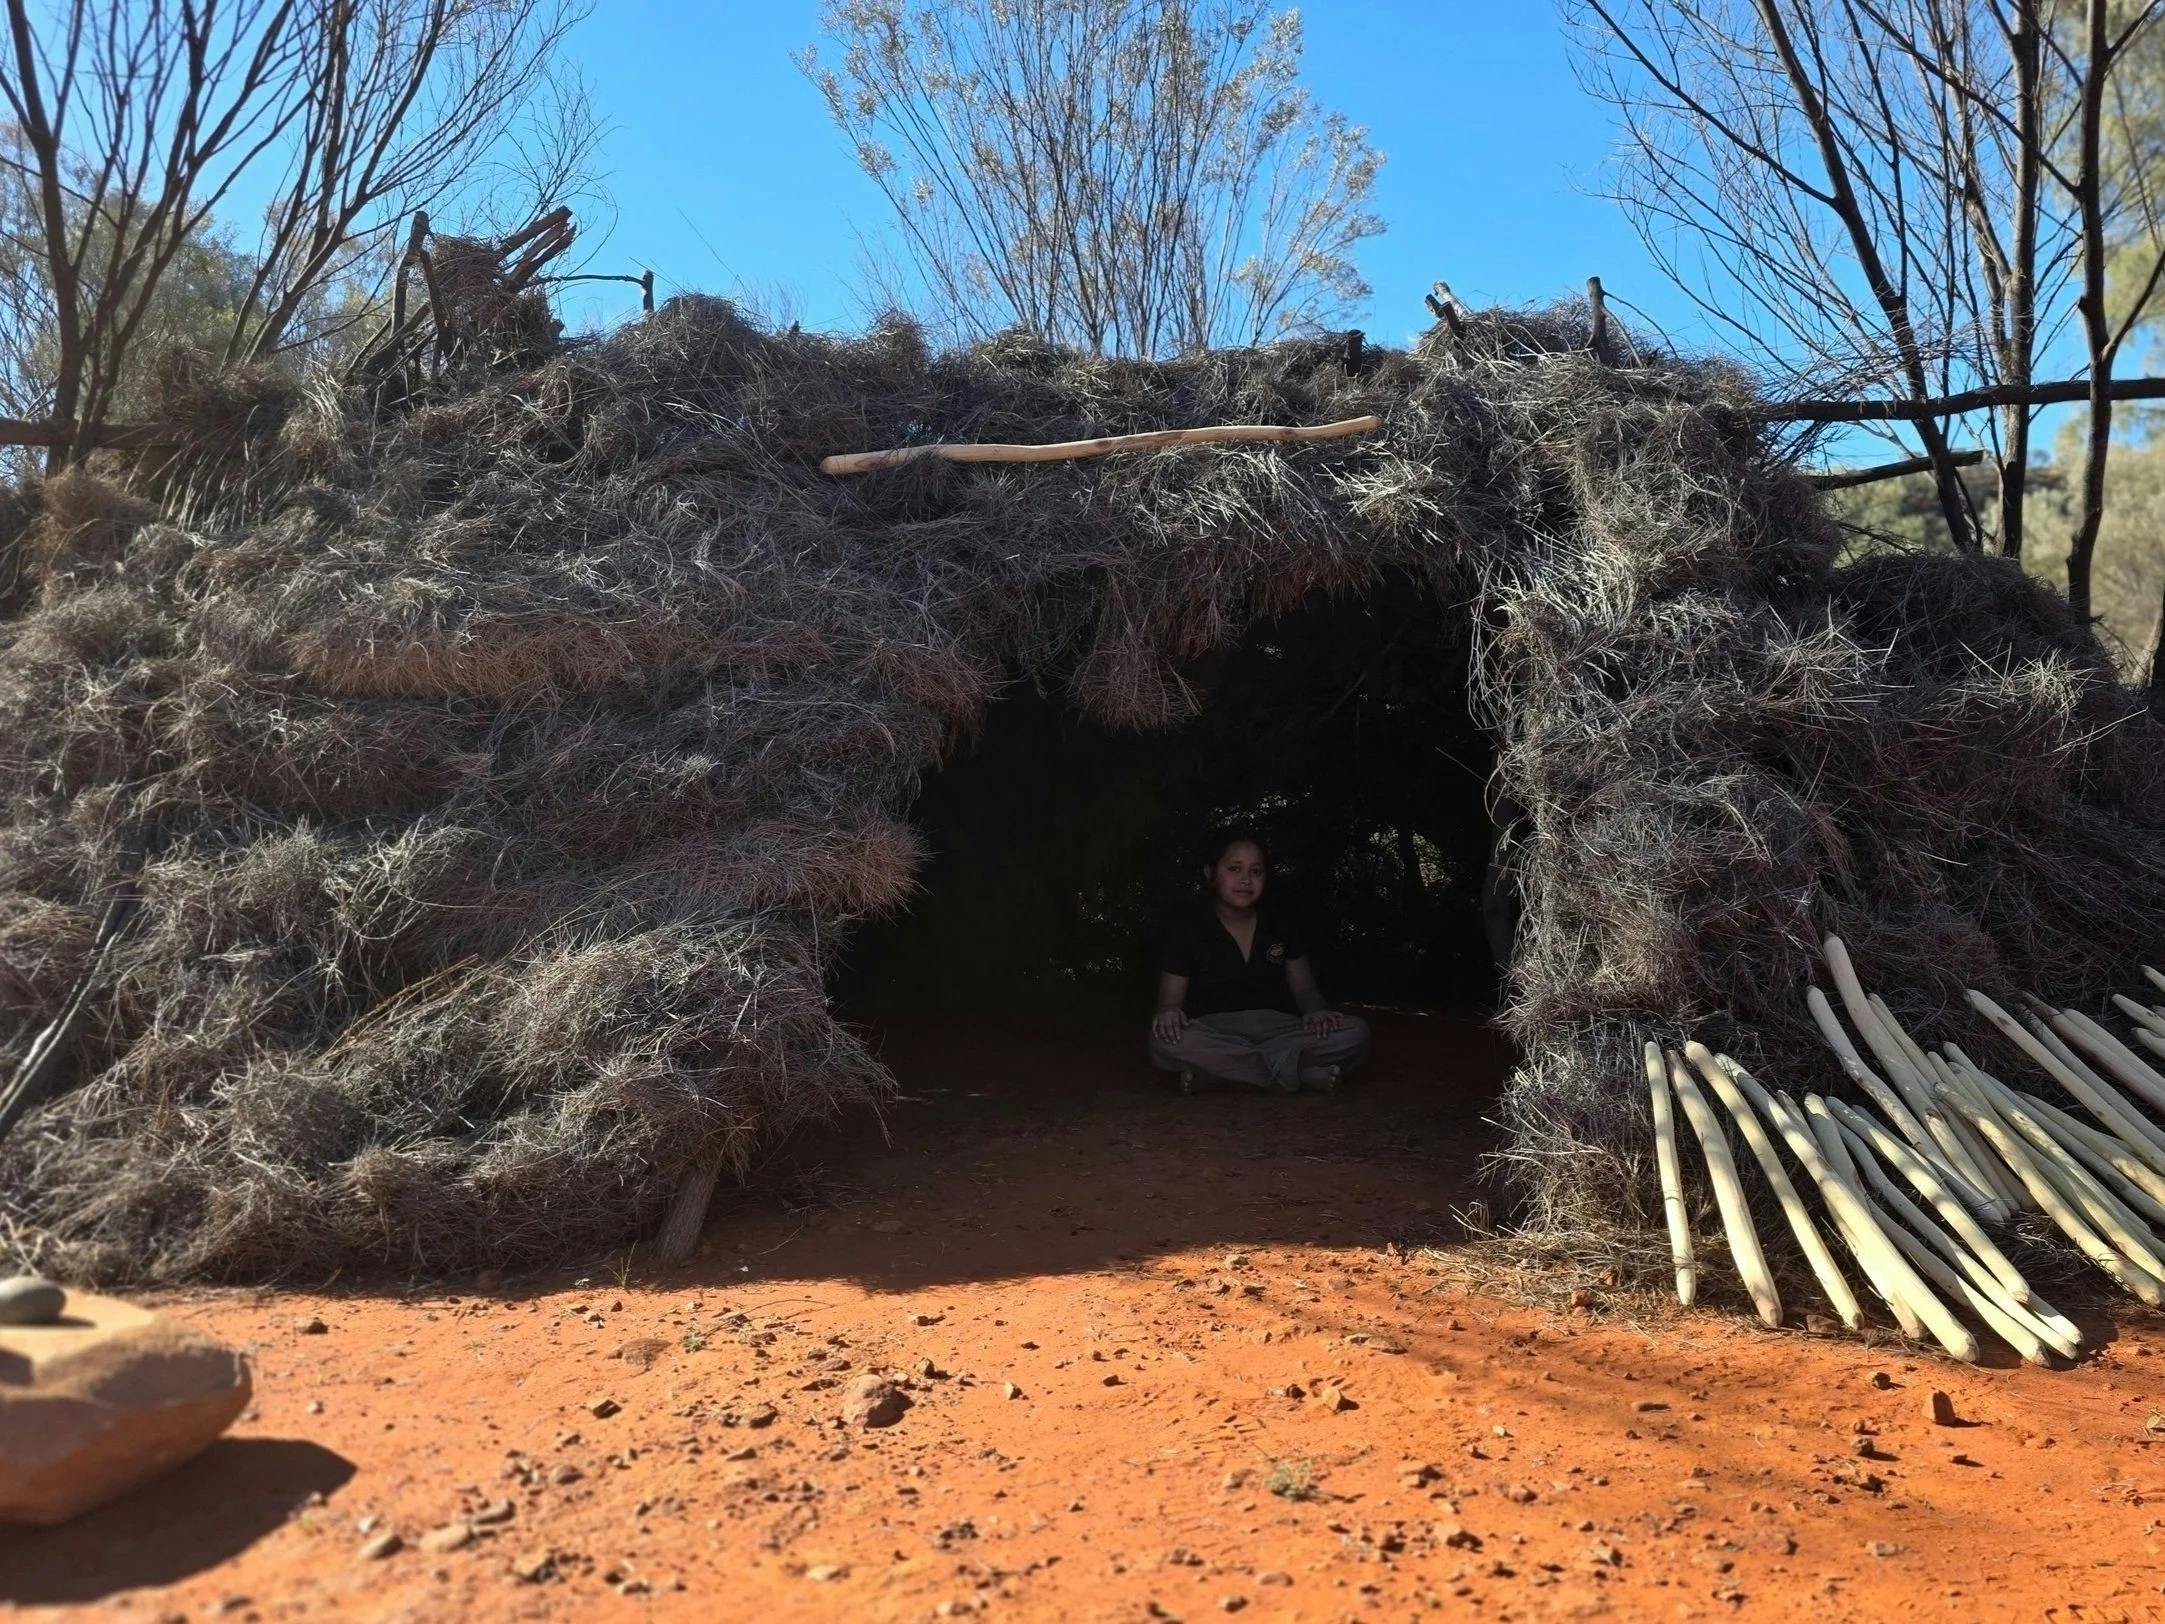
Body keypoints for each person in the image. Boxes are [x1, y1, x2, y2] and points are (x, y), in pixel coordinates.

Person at [1147, 832, 1371, 1094]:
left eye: (1256, 871)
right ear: (1210, 874)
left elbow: (1305, 990)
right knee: (1162, 1041)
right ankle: (1297, 1073)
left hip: (1280, 1030)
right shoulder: (1188, 931)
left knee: (1356, 1032)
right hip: (1214, 1031)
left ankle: (1223, 1075)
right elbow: (1168, 1003)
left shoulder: (1280, 923)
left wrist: (1315, 1011)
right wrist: (1169, 1012)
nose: (1246, 879)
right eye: (1234, 869)